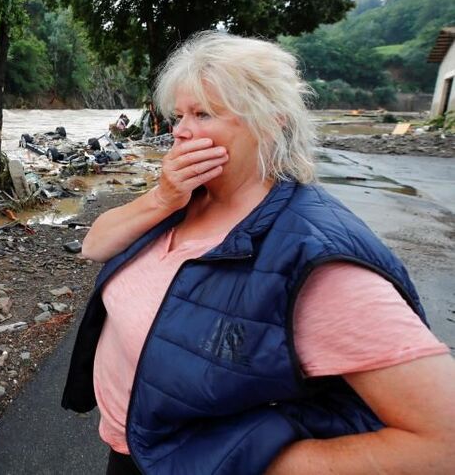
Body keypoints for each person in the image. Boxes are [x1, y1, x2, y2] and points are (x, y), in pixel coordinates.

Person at [61, 31, 455, 474]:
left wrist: (244, 463)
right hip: (137, 447)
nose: (180, 131)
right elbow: (93, 246)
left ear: (272, 121)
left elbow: (443, 443)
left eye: (203, 114)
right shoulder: (187, 197)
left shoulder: (318, 259)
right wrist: (161, 198)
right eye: (179, 115)